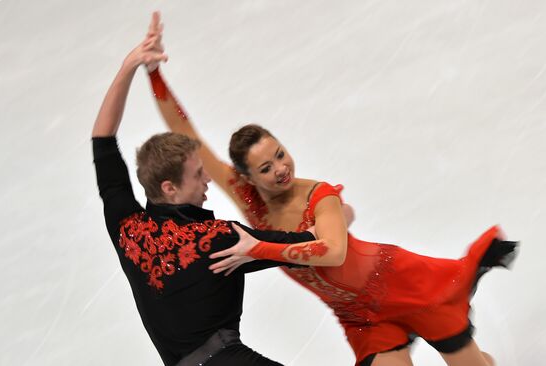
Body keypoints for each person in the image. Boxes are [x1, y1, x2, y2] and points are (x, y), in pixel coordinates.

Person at [146, 15, 518, 366]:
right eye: (265, 168)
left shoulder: (319, 195)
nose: (280, 169)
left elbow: (332, 250)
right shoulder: (247, 198)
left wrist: (257, 248)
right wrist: (154, 73)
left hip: (404, 286)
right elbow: (187, 133)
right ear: (247, 178)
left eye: (280, 154)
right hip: (360, 316)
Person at [91, 14, 322, 366]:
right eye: (198, 175)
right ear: (169, 188)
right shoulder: (216, 238)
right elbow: (312, 242)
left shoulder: (127, 228)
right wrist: (333, 207)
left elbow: (102, 139)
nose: (208, 180)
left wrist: (130, 66)